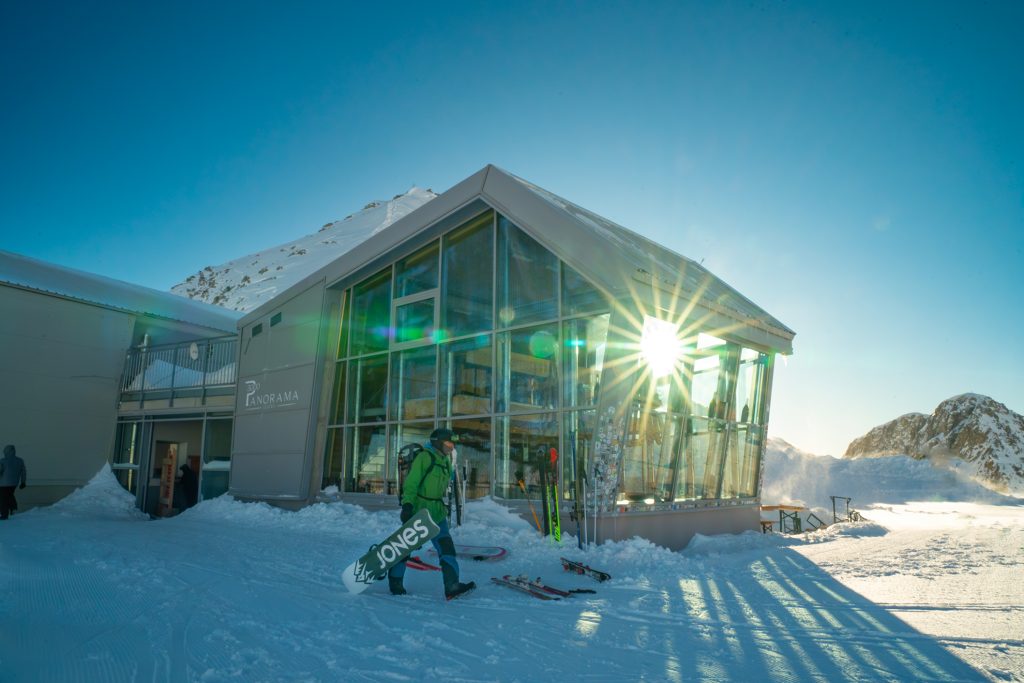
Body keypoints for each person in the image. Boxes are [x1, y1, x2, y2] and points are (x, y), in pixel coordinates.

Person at [388, 428, 476, 600]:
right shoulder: (424, 457)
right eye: (448, 443)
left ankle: (452, 586)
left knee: (446, 547)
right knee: (406, 547)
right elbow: (411, 483)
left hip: (437, 511)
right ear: (438, 442)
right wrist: (407, 505)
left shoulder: (445, 460)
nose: (452, 446)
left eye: (453, 443)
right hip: (419, 510)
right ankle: (395, 582)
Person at [0, 444, 27, 520]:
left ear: (6, 452)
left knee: (3, 498)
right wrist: (23, 482)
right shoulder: (20, 460)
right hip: (14, 483)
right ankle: (13, 509)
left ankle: (4, 514)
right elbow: (23, 472)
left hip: (3, 484)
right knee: (10, 495)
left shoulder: (3, 461)